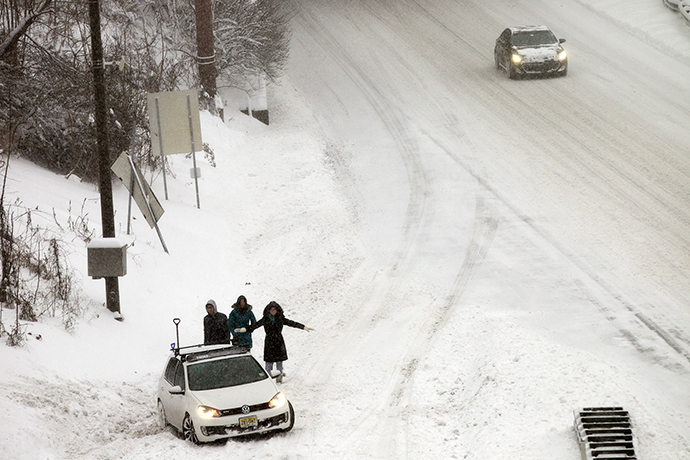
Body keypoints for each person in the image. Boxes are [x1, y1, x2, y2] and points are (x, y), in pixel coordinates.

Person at [236, 301, 313, 382]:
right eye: (271, 309)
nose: (273, 311)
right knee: (269, 361)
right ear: (268, 310)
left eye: (274, 309)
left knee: (279, 361)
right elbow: (255, 325)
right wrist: (245, 329)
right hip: (269, 341)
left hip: (278, 341)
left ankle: (279, 376)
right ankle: (268, 378)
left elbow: (292, 323)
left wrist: (303, 327)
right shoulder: (265, 319)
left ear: (277, 310)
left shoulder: (280, 318)